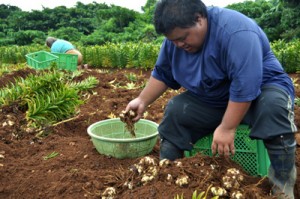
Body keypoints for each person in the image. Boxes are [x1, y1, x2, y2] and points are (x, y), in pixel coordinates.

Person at [125, 0, 297, 198]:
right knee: (176, 111)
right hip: (216, 96)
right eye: (173, 41)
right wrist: (142, 101)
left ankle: (282, 188)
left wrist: (227, 127)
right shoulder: (175, 42)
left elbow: (246, 85)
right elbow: (163, 73)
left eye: (182, 38)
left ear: (199, 19)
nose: (179, 45)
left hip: (261, 89)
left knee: (273, 108)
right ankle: (168, 180)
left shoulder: (237, 32)